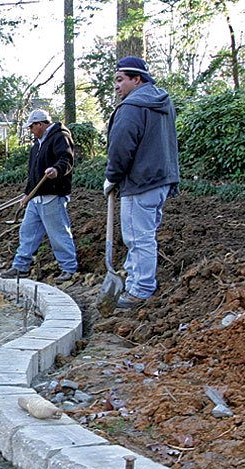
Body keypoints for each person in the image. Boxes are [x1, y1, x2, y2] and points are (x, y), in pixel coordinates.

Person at [104, 56, 179, 309]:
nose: (116, 86)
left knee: (138, 238)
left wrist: (112, 177)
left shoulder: (131, 107)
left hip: (139, 182)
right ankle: (135, 280)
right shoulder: (162, 103)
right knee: (144, 235)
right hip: (161, 180)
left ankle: (141, 290)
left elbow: (121, 148)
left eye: (120, 79)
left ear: (137, 79)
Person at [0, 109, 78, 284]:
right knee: (27, 232)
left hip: (52, 195)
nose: (30, 130)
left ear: (40, 124)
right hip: (36, 198)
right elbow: (32, 173)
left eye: (32, 127)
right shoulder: (37, 144)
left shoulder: (60, 136)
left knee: (58, 234)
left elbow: (66, 159)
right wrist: (27, 194)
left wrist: (56, 170)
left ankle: (69, 268)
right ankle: (21, 266)